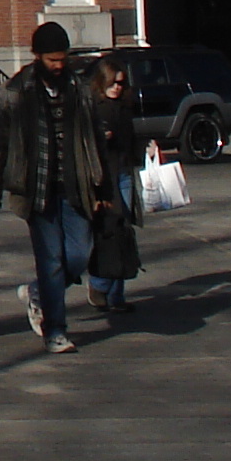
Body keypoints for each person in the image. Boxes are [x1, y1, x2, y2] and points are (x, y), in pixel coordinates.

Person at [0, 21, 109, 354]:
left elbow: (95, 141)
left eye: (62, 58)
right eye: (52, 59)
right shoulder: (16, 92)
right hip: (36, 189)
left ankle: (38, 292)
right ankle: (56, 331)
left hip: (76, 186)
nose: (59, 65)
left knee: (80, 254)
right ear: (37, 57)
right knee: (51, 259)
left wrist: (104, 188)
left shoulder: (79, 90)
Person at [85, 55, 144, 314]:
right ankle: (100, 285)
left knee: (123, 231)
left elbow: (130, 142)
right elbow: (86, 147)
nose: (117, 88)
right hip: (104, 177)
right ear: (102, 82)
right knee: (108, 231)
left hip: (124, 172)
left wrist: (147, 150)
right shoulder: (95, 108)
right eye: (113, 83)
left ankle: (115, 294)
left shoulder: (124, 107)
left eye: (121, 83)